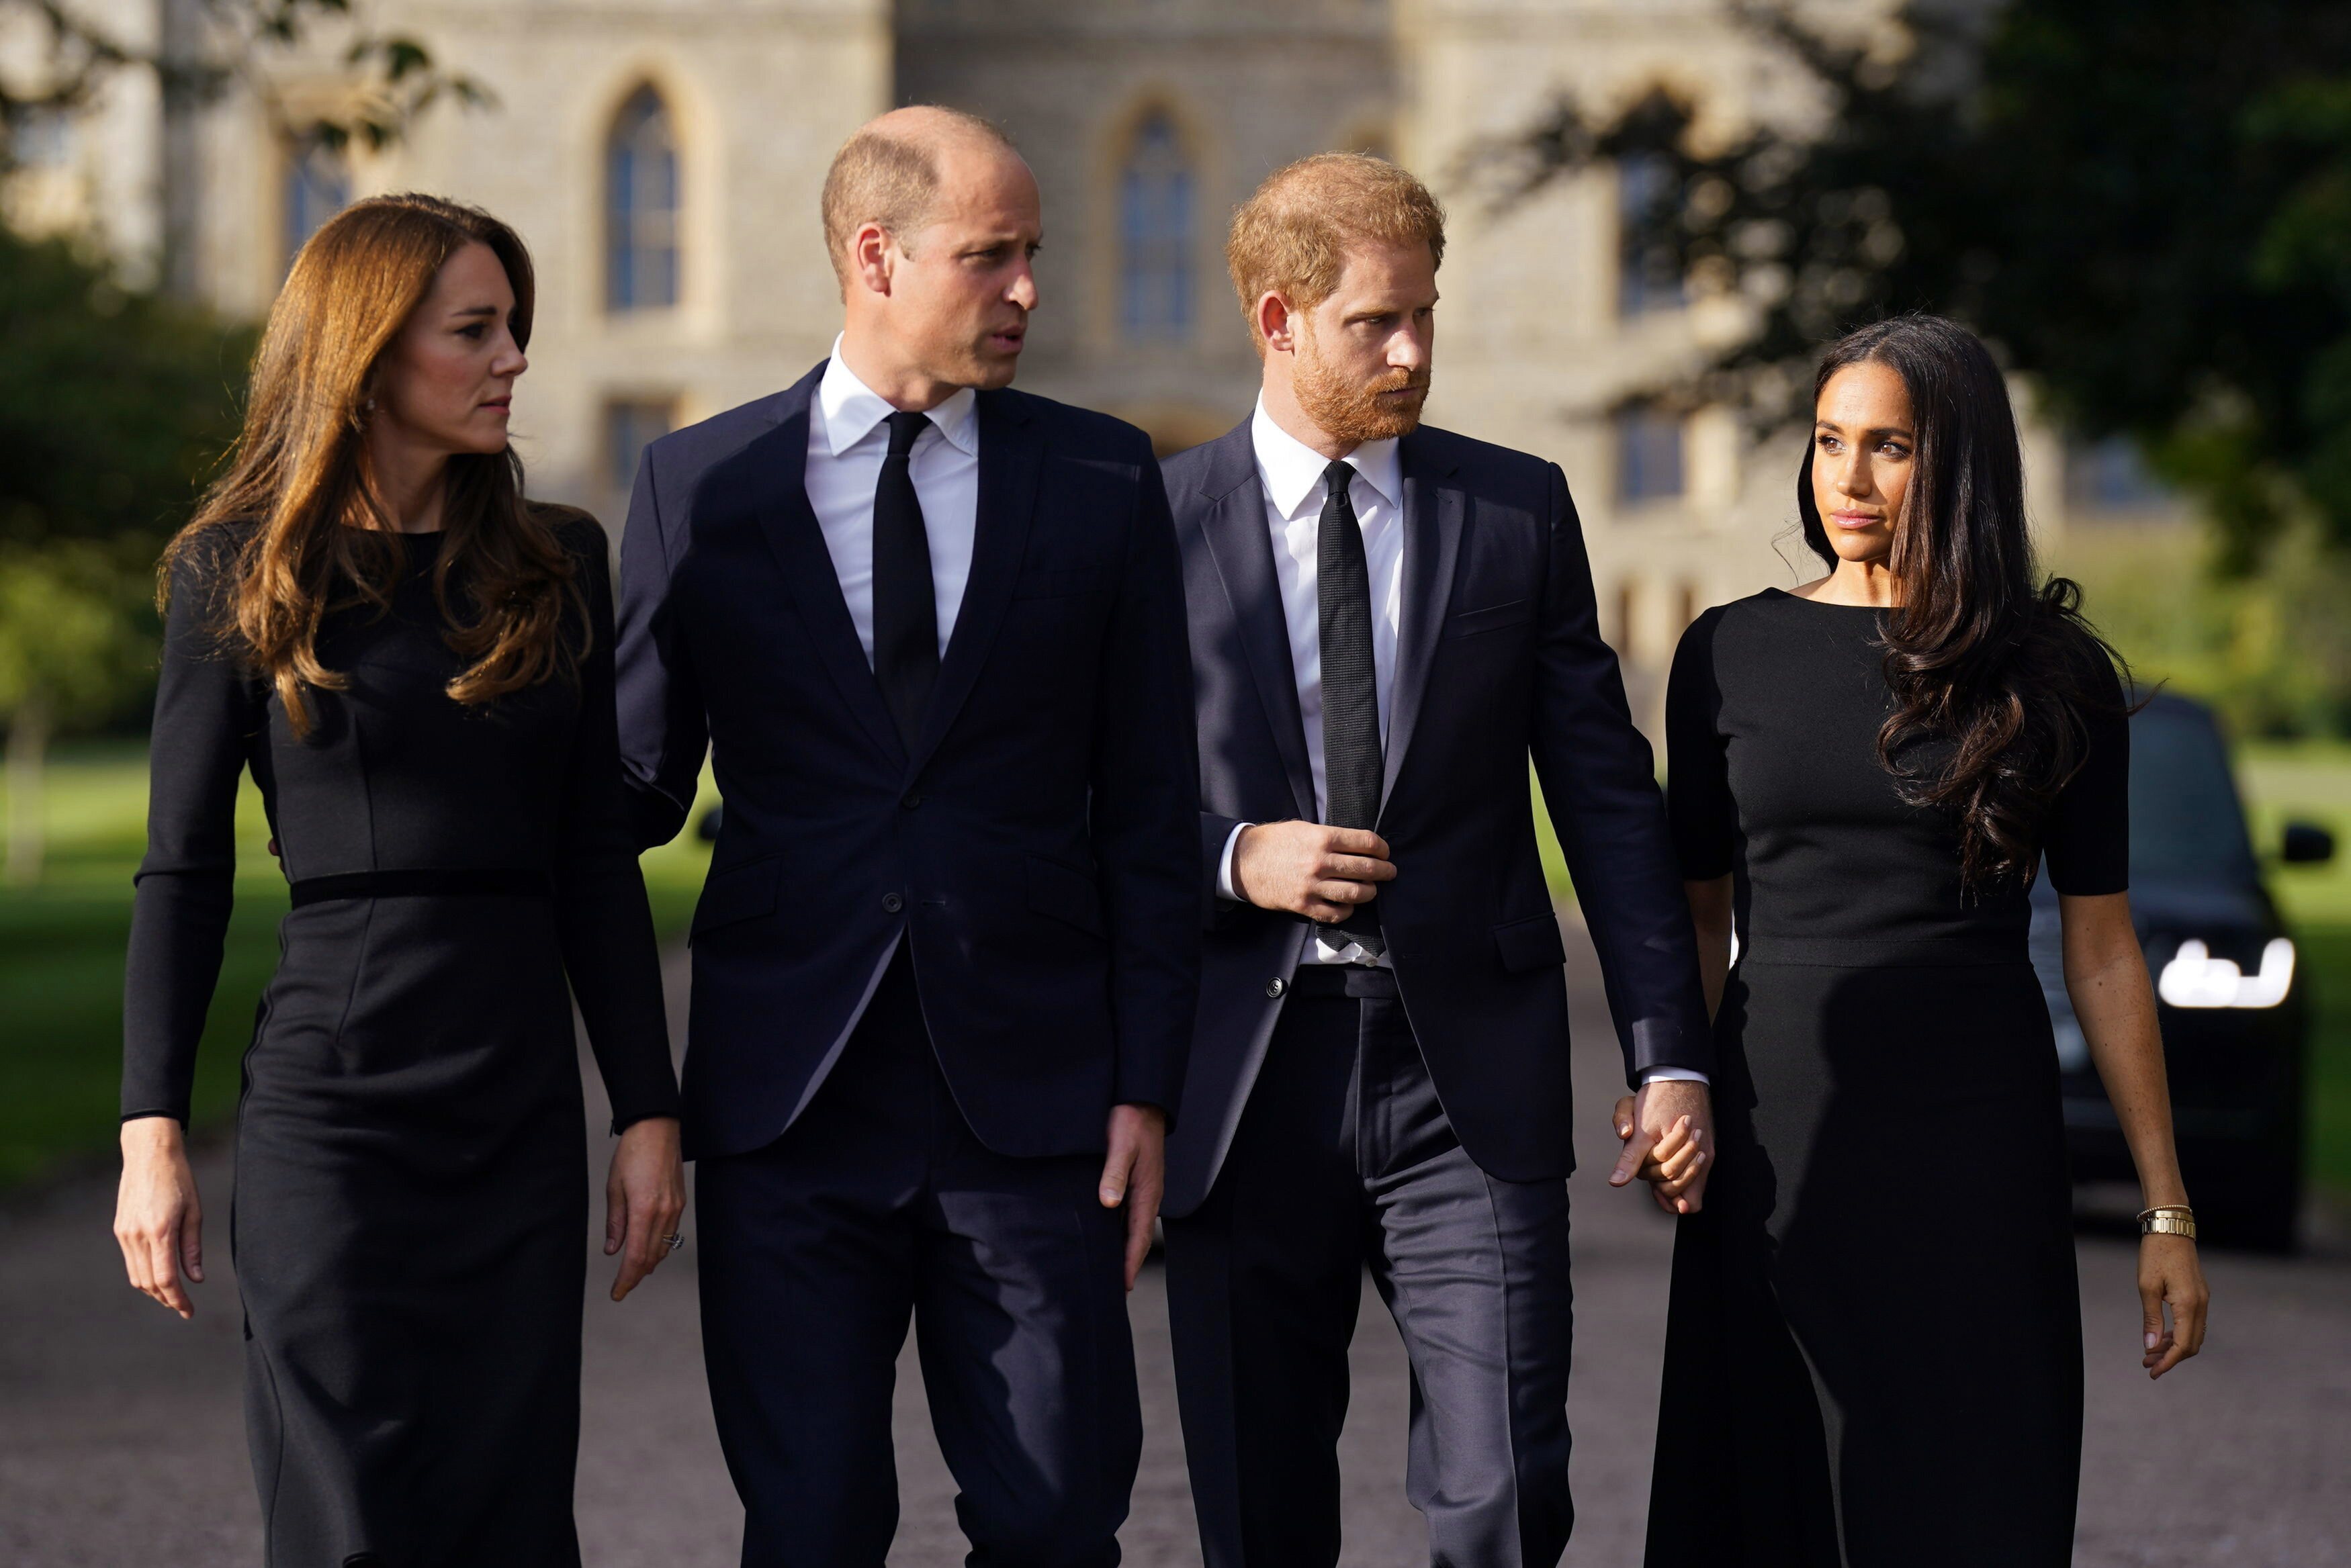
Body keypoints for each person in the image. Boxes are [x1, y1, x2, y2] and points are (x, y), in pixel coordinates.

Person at [612, 107, 1198, 1565]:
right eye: (990, 256)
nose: (1027, 291)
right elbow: (620, 796)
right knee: (809, 1525)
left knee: (1058, 1517)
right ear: (875, 255)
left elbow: (1148, 808)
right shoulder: (702, 487)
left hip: (1036, 1108)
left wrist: (1147, 1086)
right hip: (786, 1103)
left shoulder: (1104, 476)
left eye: (1032, 255)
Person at [1157, 152, 1716, 1568]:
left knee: (1508, 1496)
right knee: (1256, 1507)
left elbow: (1605, 798)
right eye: (1373, 324)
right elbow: (1073, 801)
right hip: (1242, 1079)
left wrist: (1667, 1049)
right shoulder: (1150, 529)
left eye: (1426, 317)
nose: (1411, 354)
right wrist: (1232, 858)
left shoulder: (1514, 513)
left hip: (1462, 1079)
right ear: (1278, 322)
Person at [113, 193, 686, 1566]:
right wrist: (150, 1132)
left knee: (505, 1507)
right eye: (474, 331)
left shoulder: (561, 563)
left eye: (515, 329)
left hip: (516, 1103)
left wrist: (648, 1109)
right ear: (368, 352)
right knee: (347, 1512)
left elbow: (594, 856)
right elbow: (181, 871)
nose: (511, 361)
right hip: (333, 1109)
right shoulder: (234, 572)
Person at [1644, 314, 2210, 1567]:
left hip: (1976, 1137)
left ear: (1958, 463)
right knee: (1770, 1480)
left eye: (1888, 447)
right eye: (1829, 440)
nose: (1846, 479)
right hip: (1776, 1127)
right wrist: (1666, 1081)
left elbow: (2105, 950)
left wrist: (2166, 1209)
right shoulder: (1726, 651)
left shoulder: (2051, 673)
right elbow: (1692, 914)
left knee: (1967, 1488)